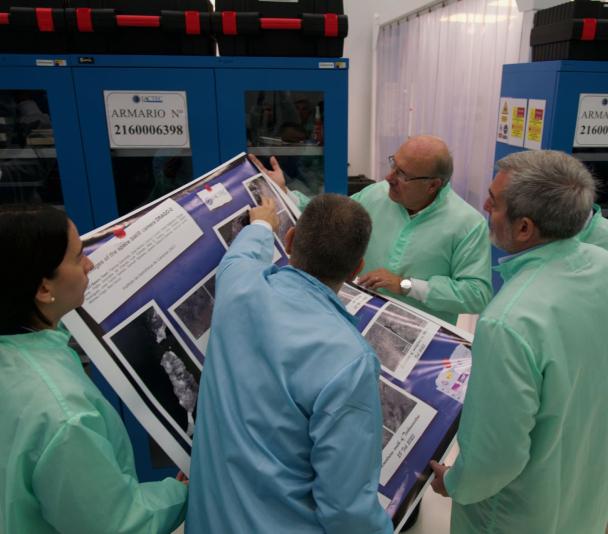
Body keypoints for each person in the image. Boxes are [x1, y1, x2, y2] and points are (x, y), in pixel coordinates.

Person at [186, 195, 393, 534]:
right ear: (357, 269)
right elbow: (347, 507)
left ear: (291, 239)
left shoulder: (238, 288)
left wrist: (263, 222)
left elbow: (242, 255)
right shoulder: (350, 360)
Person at [429, 150, 608, 534]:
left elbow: (494, 457)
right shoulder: (601, 264)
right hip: (586, 496)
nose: (484, 207)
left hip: (514, 516)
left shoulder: (509, 321)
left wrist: (454, 482)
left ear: (525, 228)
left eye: (493, 202)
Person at [0, 204, 188, 534]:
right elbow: (118, 525)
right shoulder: (64, 415)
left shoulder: (20, 351)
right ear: (44, 289)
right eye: (78, 257)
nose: (90, 264)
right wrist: (183, 492)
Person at [250, 134, 493, 325]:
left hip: (418, 340)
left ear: (433, 185)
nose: (388, 177)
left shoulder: (467, 224)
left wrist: (406, 286)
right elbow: (334, 220)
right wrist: (283, 192)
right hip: (359, 318)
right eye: (393, 164)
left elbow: (477, 294)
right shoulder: (377, 195)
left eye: (402, 174)